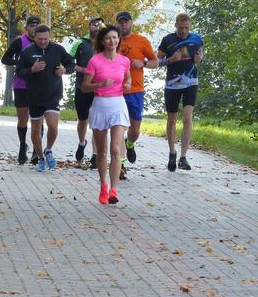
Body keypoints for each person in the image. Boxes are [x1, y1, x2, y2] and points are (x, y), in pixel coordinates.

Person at [81, 25, 131, 204]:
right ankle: (103, 186)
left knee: (116, 149)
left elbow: (127, 78)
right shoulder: (95, 61)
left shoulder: (124, 61)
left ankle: (114, 190)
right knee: (102, 152)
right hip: (100, 105)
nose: (113, 41)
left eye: (115, 38)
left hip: (118, 104)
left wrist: (127, 85)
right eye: (109, 38)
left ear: (119, 40)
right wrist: (100, 85)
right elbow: (85, 86)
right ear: (103, 41)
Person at [16, 24, 75, 172]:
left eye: (46, 39)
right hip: (34, 96)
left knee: (53, 125)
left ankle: (49, 149)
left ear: (50, 37)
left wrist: (64, 70)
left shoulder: (57, 49)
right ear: (34, 37)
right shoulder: (28, 52)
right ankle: (41, 157)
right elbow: (19, 72)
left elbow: (71, 64)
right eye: (40, 39)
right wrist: (32, 70)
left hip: (53, 95)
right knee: (36, 129)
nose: (43, 42)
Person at [157, 13, 203, 171]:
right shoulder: (167, 40)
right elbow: (157, 61)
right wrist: (171, 60)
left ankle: (183, 157)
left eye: (186, 28)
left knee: (188, 118)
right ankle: (172, 152)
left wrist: (199, 59)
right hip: (172, 84)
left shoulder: (196, 38)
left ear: (190, 26)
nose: (184, 31)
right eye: (181, 28)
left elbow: (200, 53)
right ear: (175, 25)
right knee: (171, 119)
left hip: (191, 82)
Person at [116, 11, 158, 179]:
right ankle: (121, 164)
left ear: (131, 23)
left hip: (136, 91)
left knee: (134, 130)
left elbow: (155, 62)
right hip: (117, 91)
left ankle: (130, 144)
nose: (123, 25)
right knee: (119, 128)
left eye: (126, 22)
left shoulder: (142, 41)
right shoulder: (112, 40)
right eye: (120, 22)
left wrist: (144, 63)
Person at [1, 15, 41, 164]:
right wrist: (19, 62)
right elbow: (5, 59)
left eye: (37, 25)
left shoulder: (43, 42)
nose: (34, 28)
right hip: (21, 85)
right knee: (23, 120)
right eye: (31, 25)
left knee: (37, 120)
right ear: (26, 28)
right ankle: (22, 146)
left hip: (38, 86)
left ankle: (37, 152)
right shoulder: (19, 41)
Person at [69, 17, 102, 168]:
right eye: (94, 25)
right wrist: (83, 70)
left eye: (100, 25)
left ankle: (95, 155)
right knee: (83, 120)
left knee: (96, 121)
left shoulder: (105, 43)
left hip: (99, 89)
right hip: (82, 87)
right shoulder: (80, 43)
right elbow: (68, 62)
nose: (97, 27)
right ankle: (82, 143)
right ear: (89, 27)